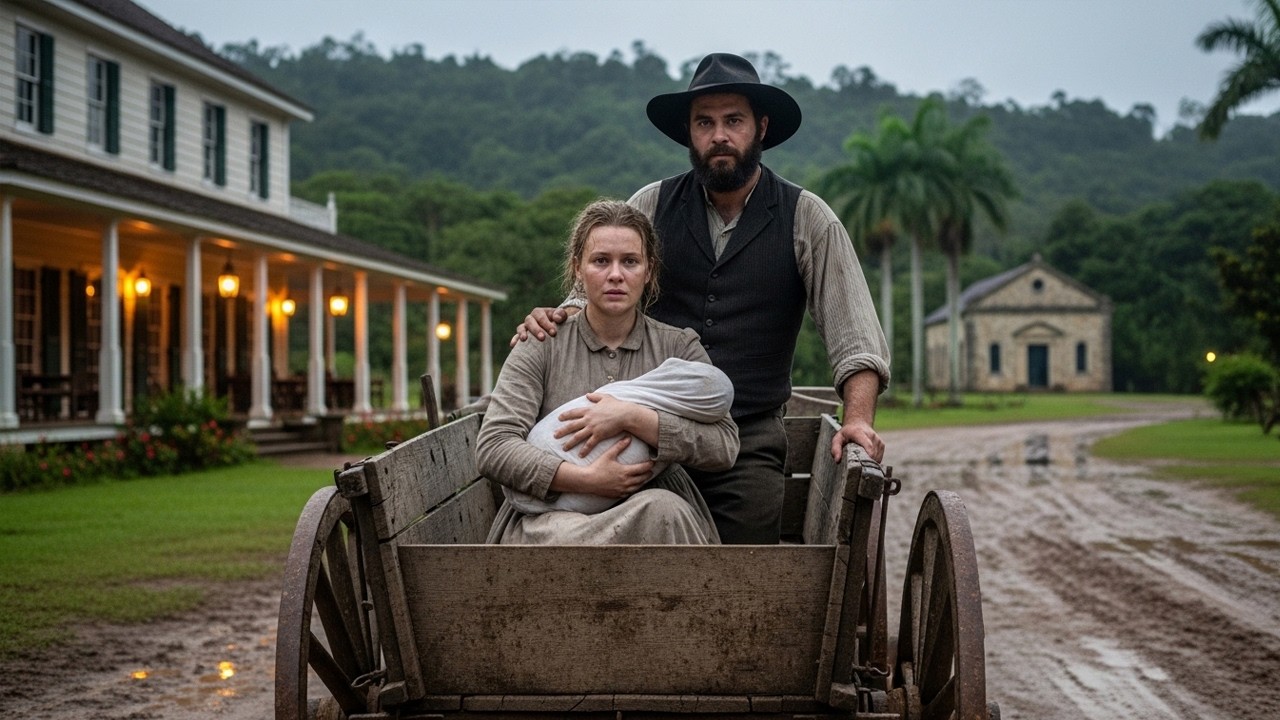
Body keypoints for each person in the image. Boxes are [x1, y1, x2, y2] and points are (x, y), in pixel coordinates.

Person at [512, 53, 891, 544]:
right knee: (622, 552)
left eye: (734, 121)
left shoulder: (807, 218)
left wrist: (857, 420)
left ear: (761, 128)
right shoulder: (650, 204)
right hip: (637, 433)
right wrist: (552, 318)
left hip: (747, 439)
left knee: (741, 576)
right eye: (704, 122)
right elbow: (597, 288)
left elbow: (855, 336)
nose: (719, 136)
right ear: (689, 134)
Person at [478, 199, 740, 545]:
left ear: (649, 271)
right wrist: (583, 480)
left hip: (655, 521)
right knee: (561, 537)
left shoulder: (678, 347)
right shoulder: (541, 343)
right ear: (577, 269)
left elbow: (724, 445)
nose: (615, 274)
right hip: (555, 518)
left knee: (662, 509)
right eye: (601, 261)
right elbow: (495, 446)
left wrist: (634, 418)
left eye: (630, 261)